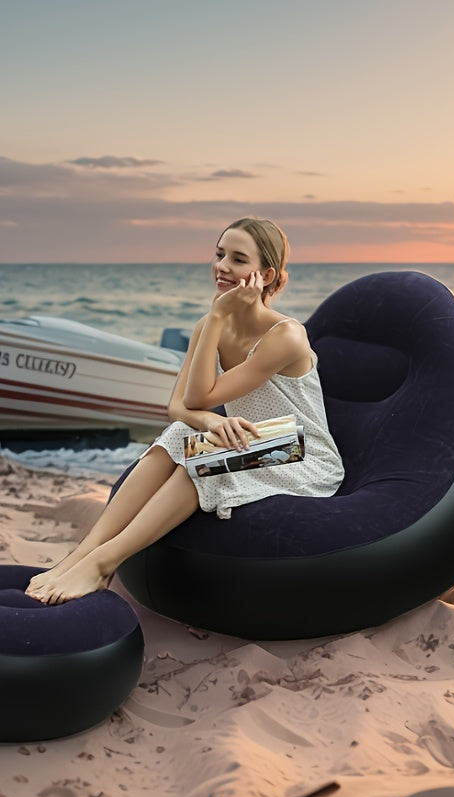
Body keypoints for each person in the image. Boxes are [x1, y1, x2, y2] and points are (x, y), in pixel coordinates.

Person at [26, 216, 344, 605]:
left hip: (301, 452)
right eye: (219, 253)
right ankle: (77, 557)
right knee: (180, 436)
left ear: (265, 275)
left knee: (208, 453)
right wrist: (210, 417)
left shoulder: (286, 337)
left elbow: (199, 397)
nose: (222, 266)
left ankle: (103, 565)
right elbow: (179, 406)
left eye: (238, 259)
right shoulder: (209, 325)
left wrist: (216, 319)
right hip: (251, 439)